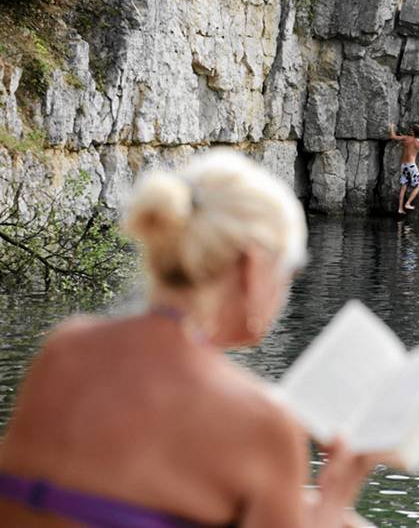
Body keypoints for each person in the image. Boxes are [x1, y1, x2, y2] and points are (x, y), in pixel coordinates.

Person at [0, 150, 377, 527]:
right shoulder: (263, 423)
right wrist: (332, 503)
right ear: (253, 267)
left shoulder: (67, 349)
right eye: (288, 270)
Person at [388, 123, 419, 215]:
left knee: (403, 187)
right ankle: (407, 203)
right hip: (411, 166)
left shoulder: (406, 138)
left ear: (412, 131)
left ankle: (400, 208)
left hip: (403, 165)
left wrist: (391, 127)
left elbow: (393, 136)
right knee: (418, 186)